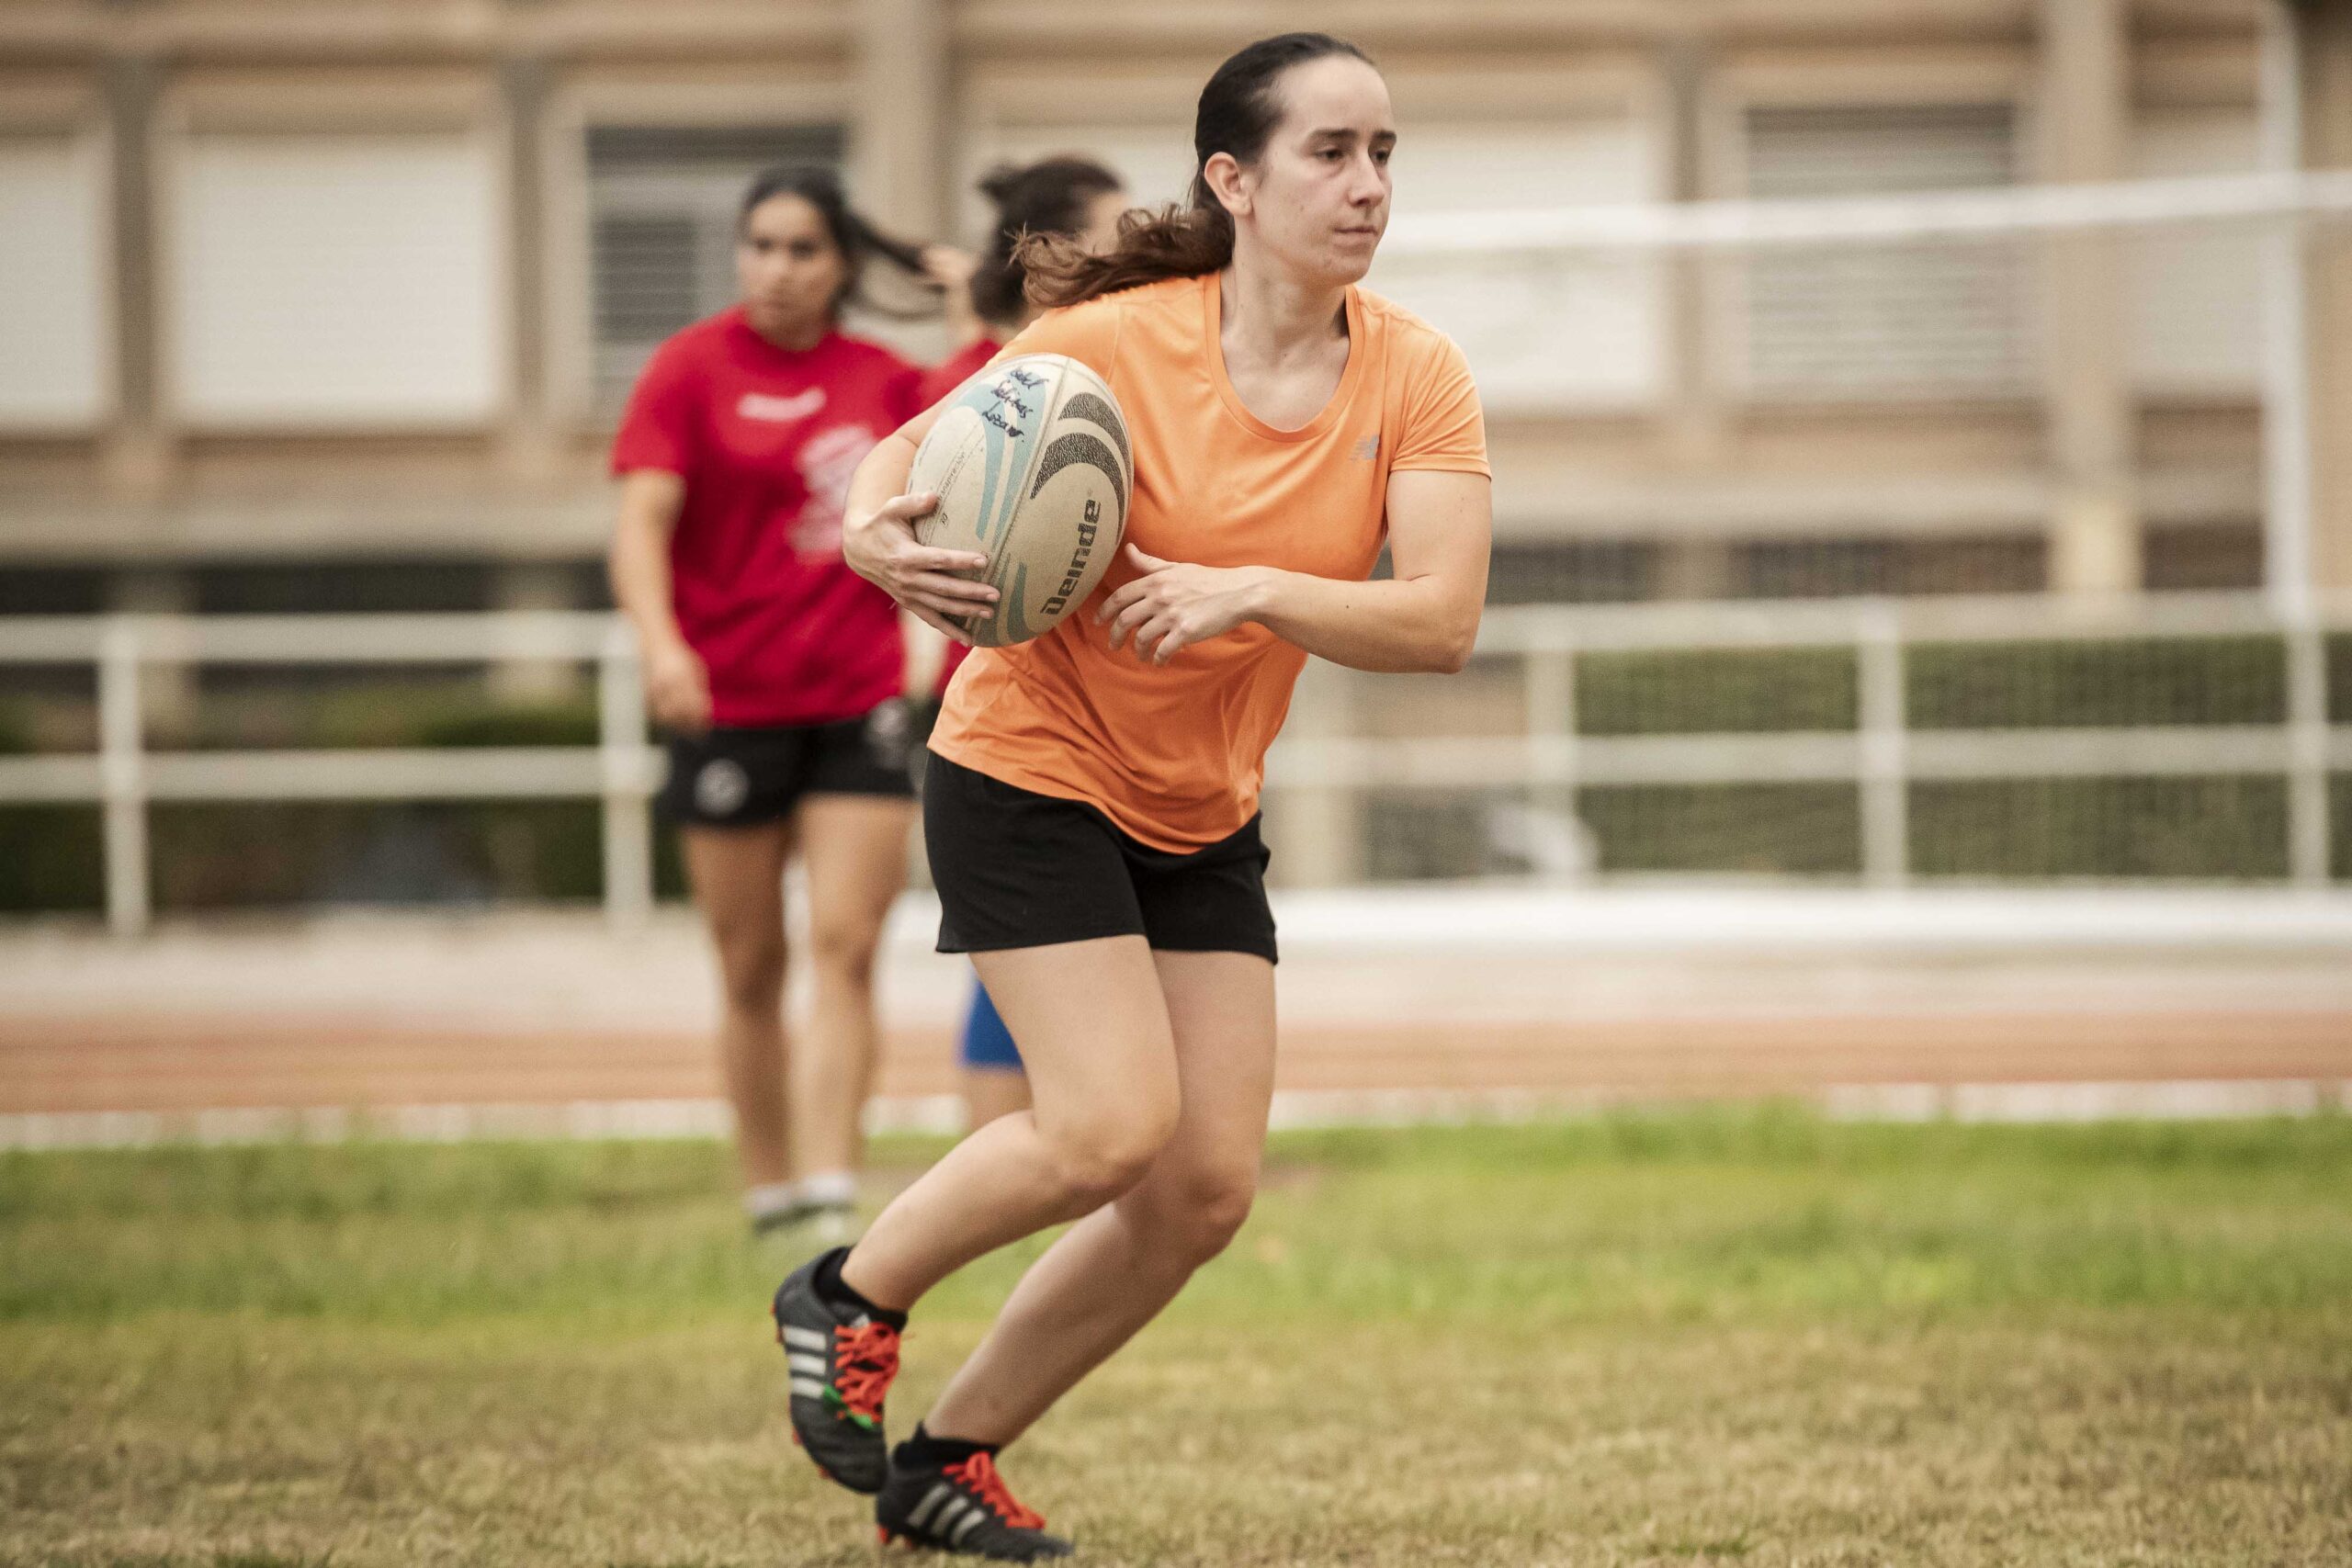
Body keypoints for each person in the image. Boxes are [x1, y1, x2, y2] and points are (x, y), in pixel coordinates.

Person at [773, 33, 1491, 1560]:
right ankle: (842, 1294)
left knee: (1202, 1190)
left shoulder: (1417, 371)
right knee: (1107, 1128)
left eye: (1384, 152)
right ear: (1233, 179)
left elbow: (1439, 620)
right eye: (1330, 151)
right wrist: (873, 532)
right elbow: (906, 456)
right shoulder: (1115, 339)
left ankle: (946, 1459)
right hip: (1028, 767)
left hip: (1200, 800)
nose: (1368, 184)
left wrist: (1254, 588)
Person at [607, 165, 938, 1239]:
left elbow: (979, 449)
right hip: (726, 706)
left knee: (846, 944)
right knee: (751, 963)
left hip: (856, 699)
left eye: (802, 249)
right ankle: (769, 1192)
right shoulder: (687, 370)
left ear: (841, 264)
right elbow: (640, 526)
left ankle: (829, 1195)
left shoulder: (887, 380)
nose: (777, 268)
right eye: (760, 246)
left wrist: (967, 301)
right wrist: (661, 645)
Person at [917, 155, 1128, 1134]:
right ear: (1055, 250)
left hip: (1102, 697)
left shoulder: (1051, 356)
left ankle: (1050, 1152)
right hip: (1005, 693)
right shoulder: (1006, 386)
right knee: (1021, 953)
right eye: (1117, 228)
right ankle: (1006, 1153)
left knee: (1072, 951)